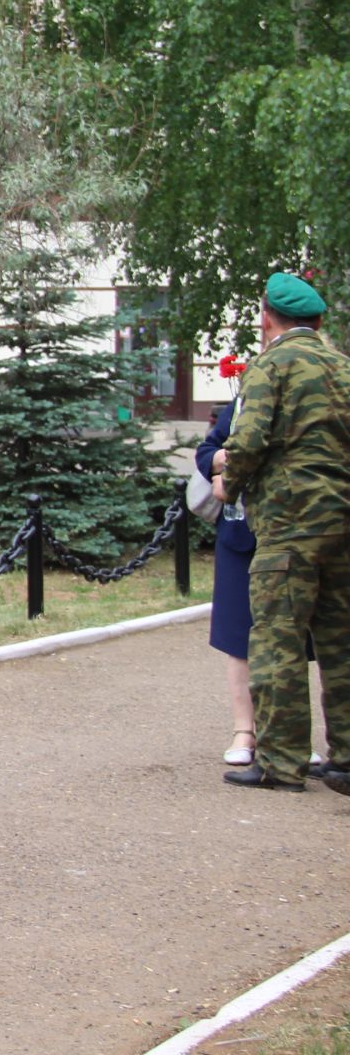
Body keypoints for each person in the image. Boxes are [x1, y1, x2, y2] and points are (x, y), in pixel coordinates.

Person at [214, 272, 350, 795]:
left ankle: (281, 761)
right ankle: (346, 757)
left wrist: (229, 483)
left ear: (268, 318)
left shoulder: (271, 366)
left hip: (290, 525)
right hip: (343, 525)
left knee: (277, 638)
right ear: (318, 321)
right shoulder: (342, 366)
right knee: (341, 643)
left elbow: (247, 440)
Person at [196, 398, 259, 766]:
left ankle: (286, 733)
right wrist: (223, 461)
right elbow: (207, 452)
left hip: (290, 532)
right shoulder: (243, 401)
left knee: (297, 640)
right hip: (239, 532)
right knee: (239, 637)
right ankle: (244, 730)